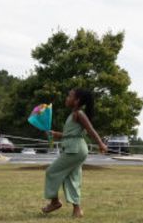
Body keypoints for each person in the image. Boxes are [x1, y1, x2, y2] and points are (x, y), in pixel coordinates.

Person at [41, 88, 107, 217]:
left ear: (76, 101)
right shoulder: (73, 115)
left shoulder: (79, 114)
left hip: (75, 150)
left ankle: (55, 202)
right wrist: (55, 134)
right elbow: (69, 135)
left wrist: (101, 144)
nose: (66, 98)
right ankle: (77, 210)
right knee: (72, 178)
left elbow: (90, 129)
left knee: (51, 171)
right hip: (75, 149)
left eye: (69, 96)